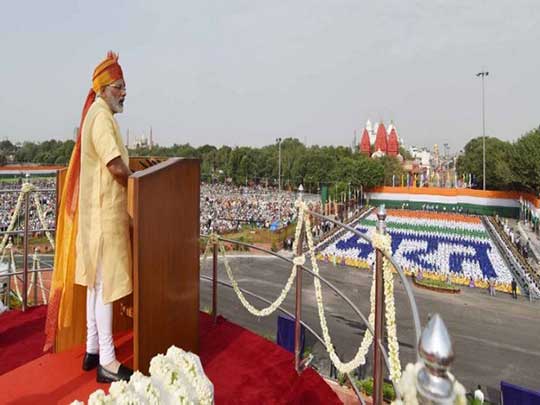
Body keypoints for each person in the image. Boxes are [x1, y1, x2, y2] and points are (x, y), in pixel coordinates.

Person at [44, 52, 133, 384]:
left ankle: (93, 349)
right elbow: (115, 165)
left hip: (95, 220)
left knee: (97, 287)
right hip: (103, 221)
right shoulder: (101, 118)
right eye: (120, 87)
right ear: (105, 88)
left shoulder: (96, 115)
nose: (125, 93)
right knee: (105, 287)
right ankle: (107, 362)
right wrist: (139, 183)